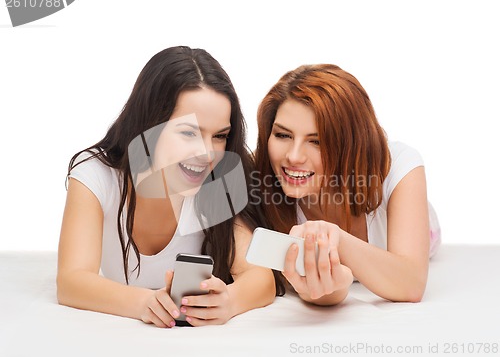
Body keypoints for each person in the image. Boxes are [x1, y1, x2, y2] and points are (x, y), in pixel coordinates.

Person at [57, 46, 279, 328]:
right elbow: (71, 281)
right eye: (189, 133)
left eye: (220, 136)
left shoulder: (217, 182)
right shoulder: (96, 175)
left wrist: (230, 301)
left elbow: (260, 277)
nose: (207, 153)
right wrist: (144, 303)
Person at [254, 64, 441, 305]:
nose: (294, 156)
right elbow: (317, 288)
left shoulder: (400, 166)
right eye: (283, 135)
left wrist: (336, 239)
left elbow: (411, 283)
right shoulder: (260, 182)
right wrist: (334, 290)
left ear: (350, 145)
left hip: (427, 234)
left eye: (317, 141)